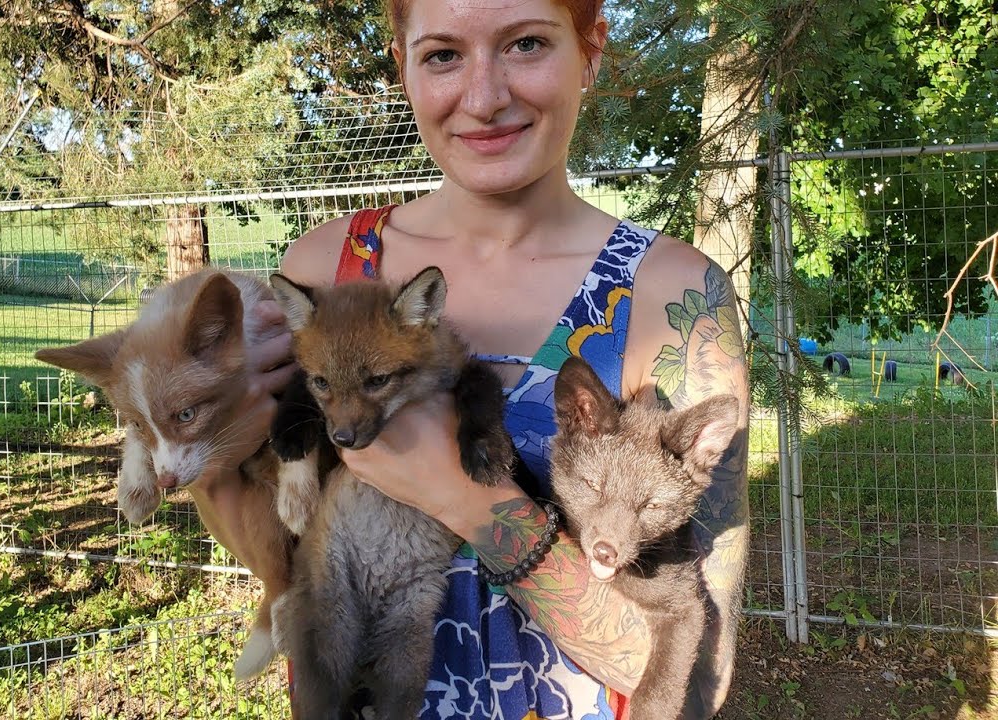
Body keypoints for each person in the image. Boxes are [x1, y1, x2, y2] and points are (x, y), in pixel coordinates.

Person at [222, 0, 750, 717]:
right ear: (402, 67)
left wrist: (467, 500)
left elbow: (699, 676)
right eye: (442, 54)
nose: (484, 97)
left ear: (591, 48)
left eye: (526, 43)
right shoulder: (325, 270)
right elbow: (272, 530)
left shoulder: (675, 297)